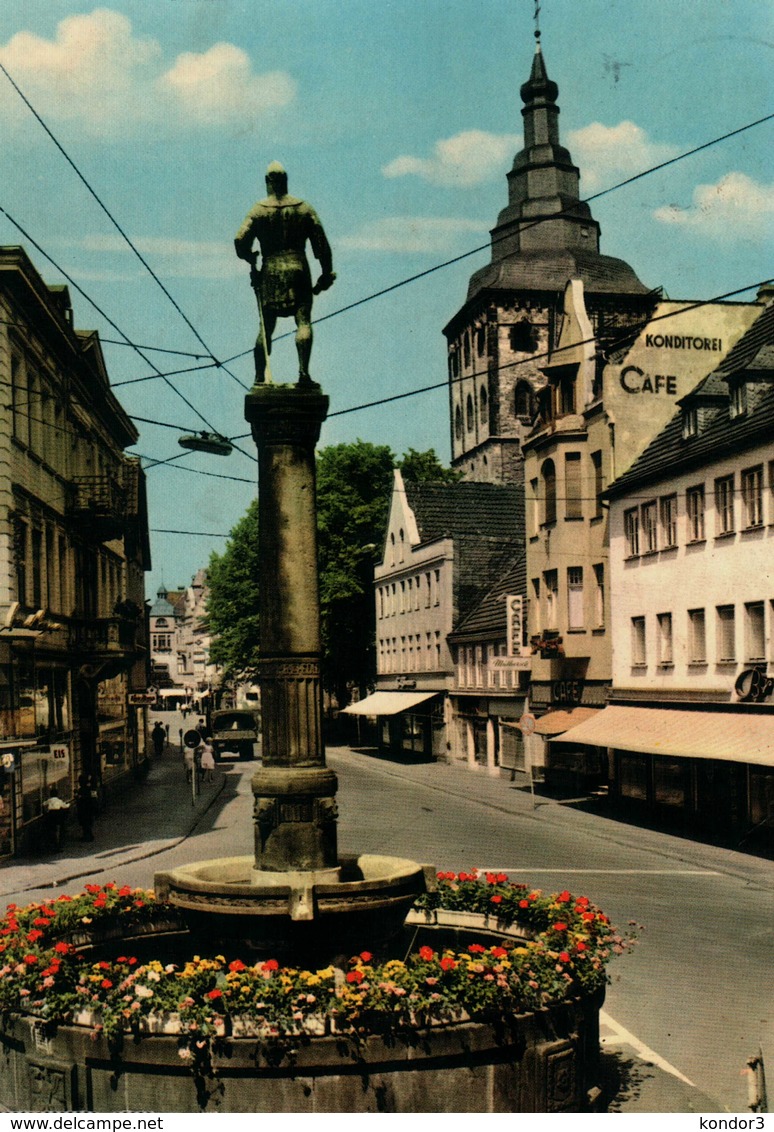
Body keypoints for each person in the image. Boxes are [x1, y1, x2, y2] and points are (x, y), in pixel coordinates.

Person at [234, 162, 335, 384]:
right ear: (285, 180)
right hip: (298, 269)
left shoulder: (258, 210)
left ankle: (259, 378)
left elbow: (240, 240)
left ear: (267, 182)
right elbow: (322, 246)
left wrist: (249, 256)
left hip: (270, 271)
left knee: (266, 327)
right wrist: (326, 273)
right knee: (303, 322)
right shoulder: (303, 208)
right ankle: (303, 373)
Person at [43, 786, 69, 851]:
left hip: (50, 816)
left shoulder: (49, 800)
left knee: (52, 830)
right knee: (58, 830)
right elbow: (65, 806)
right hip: (58, 817)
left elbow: (43, 804)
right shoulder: (59, 801)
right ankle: (58, 845)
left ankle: (53, 844)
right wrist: (68, 804)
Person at [75, 775, 97, 842]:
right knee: (89, 823)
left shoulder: (81, 790)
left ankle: (87, 836)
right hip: (90, 809)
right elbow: (95, 798)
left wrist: (77, 797)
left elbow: (80, 799)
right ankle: (89, 835)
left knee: (85, 824)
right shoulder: (91, 789)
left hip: (84, 809)